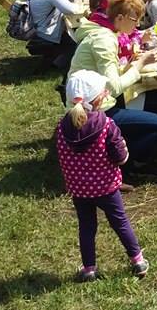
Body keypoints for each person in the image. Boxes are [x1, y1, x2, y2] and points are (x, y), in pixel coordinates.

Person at [56, 70, 149, 282]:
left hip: (79, 189)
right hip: (106, 187)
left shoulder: (62, 128)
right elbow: (120, 158)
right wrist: (123, 151)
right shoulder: (106, 125)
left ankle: (89, 268)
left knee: (86, 226)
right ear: (98, 99)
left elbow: (62, 156)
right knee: (120, 222)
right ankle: (137, 260)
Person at [69, 0, 157, 173]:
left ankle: (136, 145)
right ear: (120, 17)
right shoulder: (104, 40)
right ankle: (128, 163)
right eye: (135, 19)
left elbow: (108, 74)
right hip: (96, 110)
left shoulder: (106, 33)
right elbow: (114, 87)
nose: (138, 24)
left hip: (100, 100)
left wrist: (132, 63)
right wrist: (139, 65)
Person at [25, 0, 84, 69]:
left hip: (36, 29)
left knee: (69, 34)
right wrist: (78, 0)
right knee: (77, 42)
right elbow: (72, 10)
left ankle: (56, 60)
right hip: (45, 32)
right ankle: (57, 65)